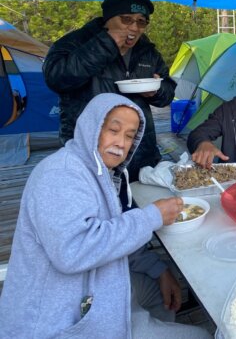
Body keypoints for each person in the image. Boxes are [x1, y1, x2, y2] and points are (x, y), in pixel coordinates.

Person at [0, 93, 209, 338]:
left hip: (98, 286)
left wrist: (159, 270)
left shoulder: (102, 173)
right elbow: (73, 250)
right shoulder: (60, 174)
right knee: (202, 336)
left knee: (156, 291)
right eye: (113, 130)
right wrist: (151, 216)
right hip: (60, 322)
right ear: (92, 127)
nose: (121, 142)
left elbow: (113, 231)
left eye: (130, 136)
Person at [43, 0, 176, 182]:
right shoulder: (75, 42)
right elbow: (57, 78)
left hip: (139, 151)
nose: (134, 28)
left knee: (138, 206)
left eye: (141, 22)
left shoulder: (146, 50)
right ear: (108, 17)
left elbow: (168, 91)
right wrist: (106, 43)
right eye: (126, 19)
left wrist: (155, 91)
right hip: (90, 153)